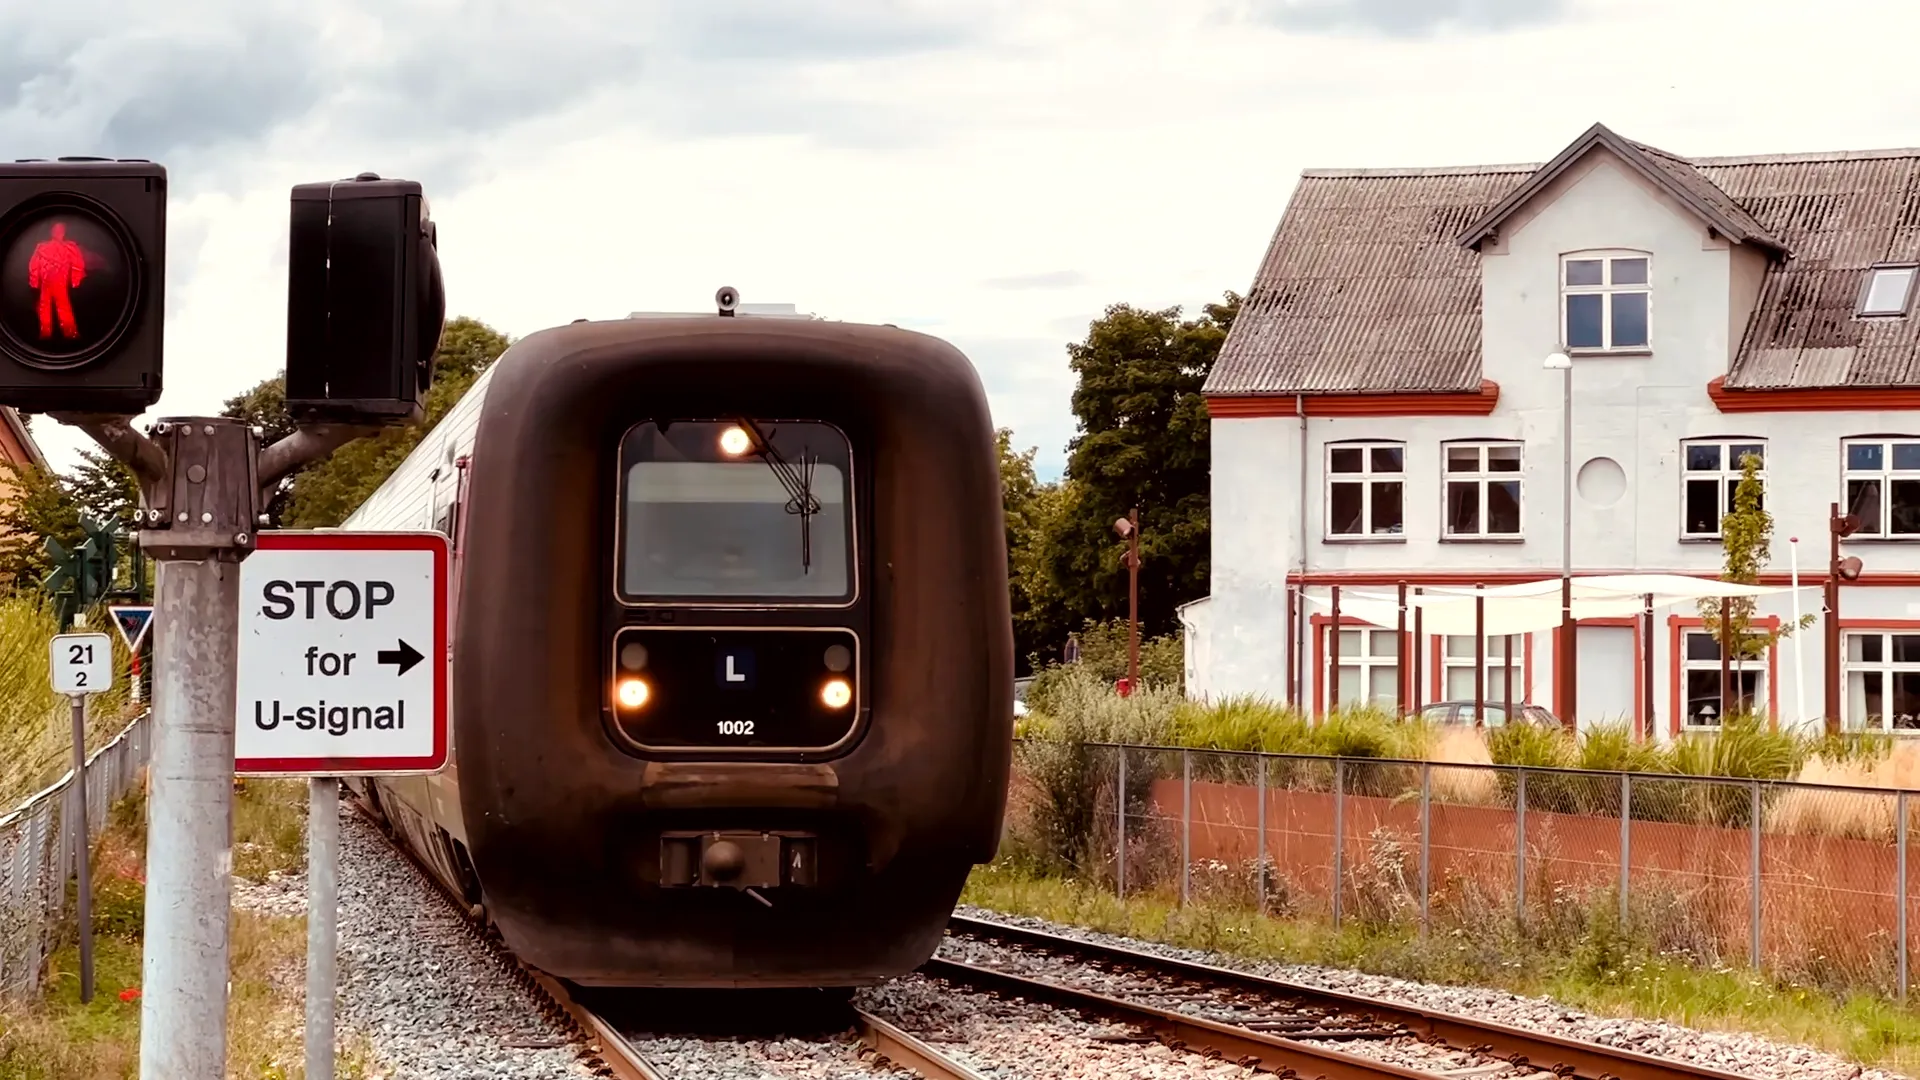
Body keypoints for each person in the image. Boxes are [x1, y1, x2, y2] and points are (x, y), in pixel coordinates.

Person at [27, 221, 86, 341]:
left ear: (64, 232)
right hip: (46, 281)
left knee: (62, 305)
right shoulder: (42, 247)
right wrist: (34, 280)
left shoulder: (70, 247)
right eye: (56, 230)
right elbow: (34, 264)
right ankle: (46, 332)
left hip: (60, 281)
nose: (58, 232)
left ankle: (69, 332)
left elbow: (77, 264)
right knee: (45, 306)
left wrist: (76, 279)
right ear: (51, 232)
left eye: (60, 230)